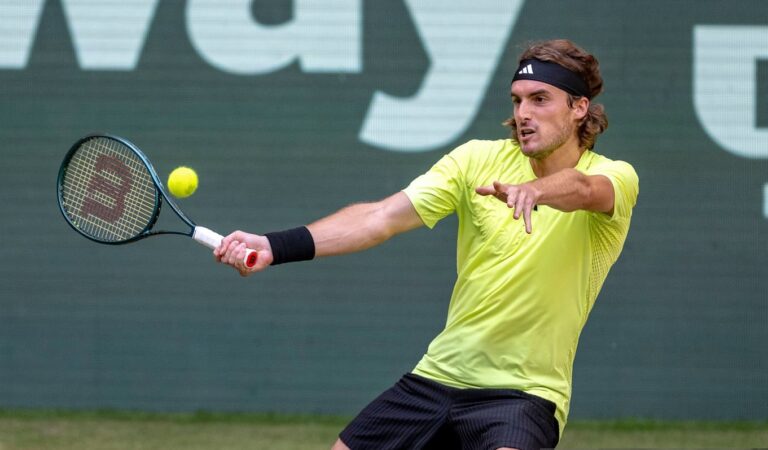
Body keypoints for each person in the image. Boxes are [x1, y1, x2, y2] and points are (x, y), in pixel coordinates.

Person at [214, 39, 639, 450]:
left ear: (579, 108)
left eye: (540, 99)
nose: (524, 113)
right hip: (436, 378)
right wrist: (275, 246)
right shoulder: (475, 160)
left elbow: (585, 189)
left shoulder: (616, 176)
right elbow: (379, 218)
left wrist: (537, 191)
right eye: (517, 100)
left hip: (523, 394)